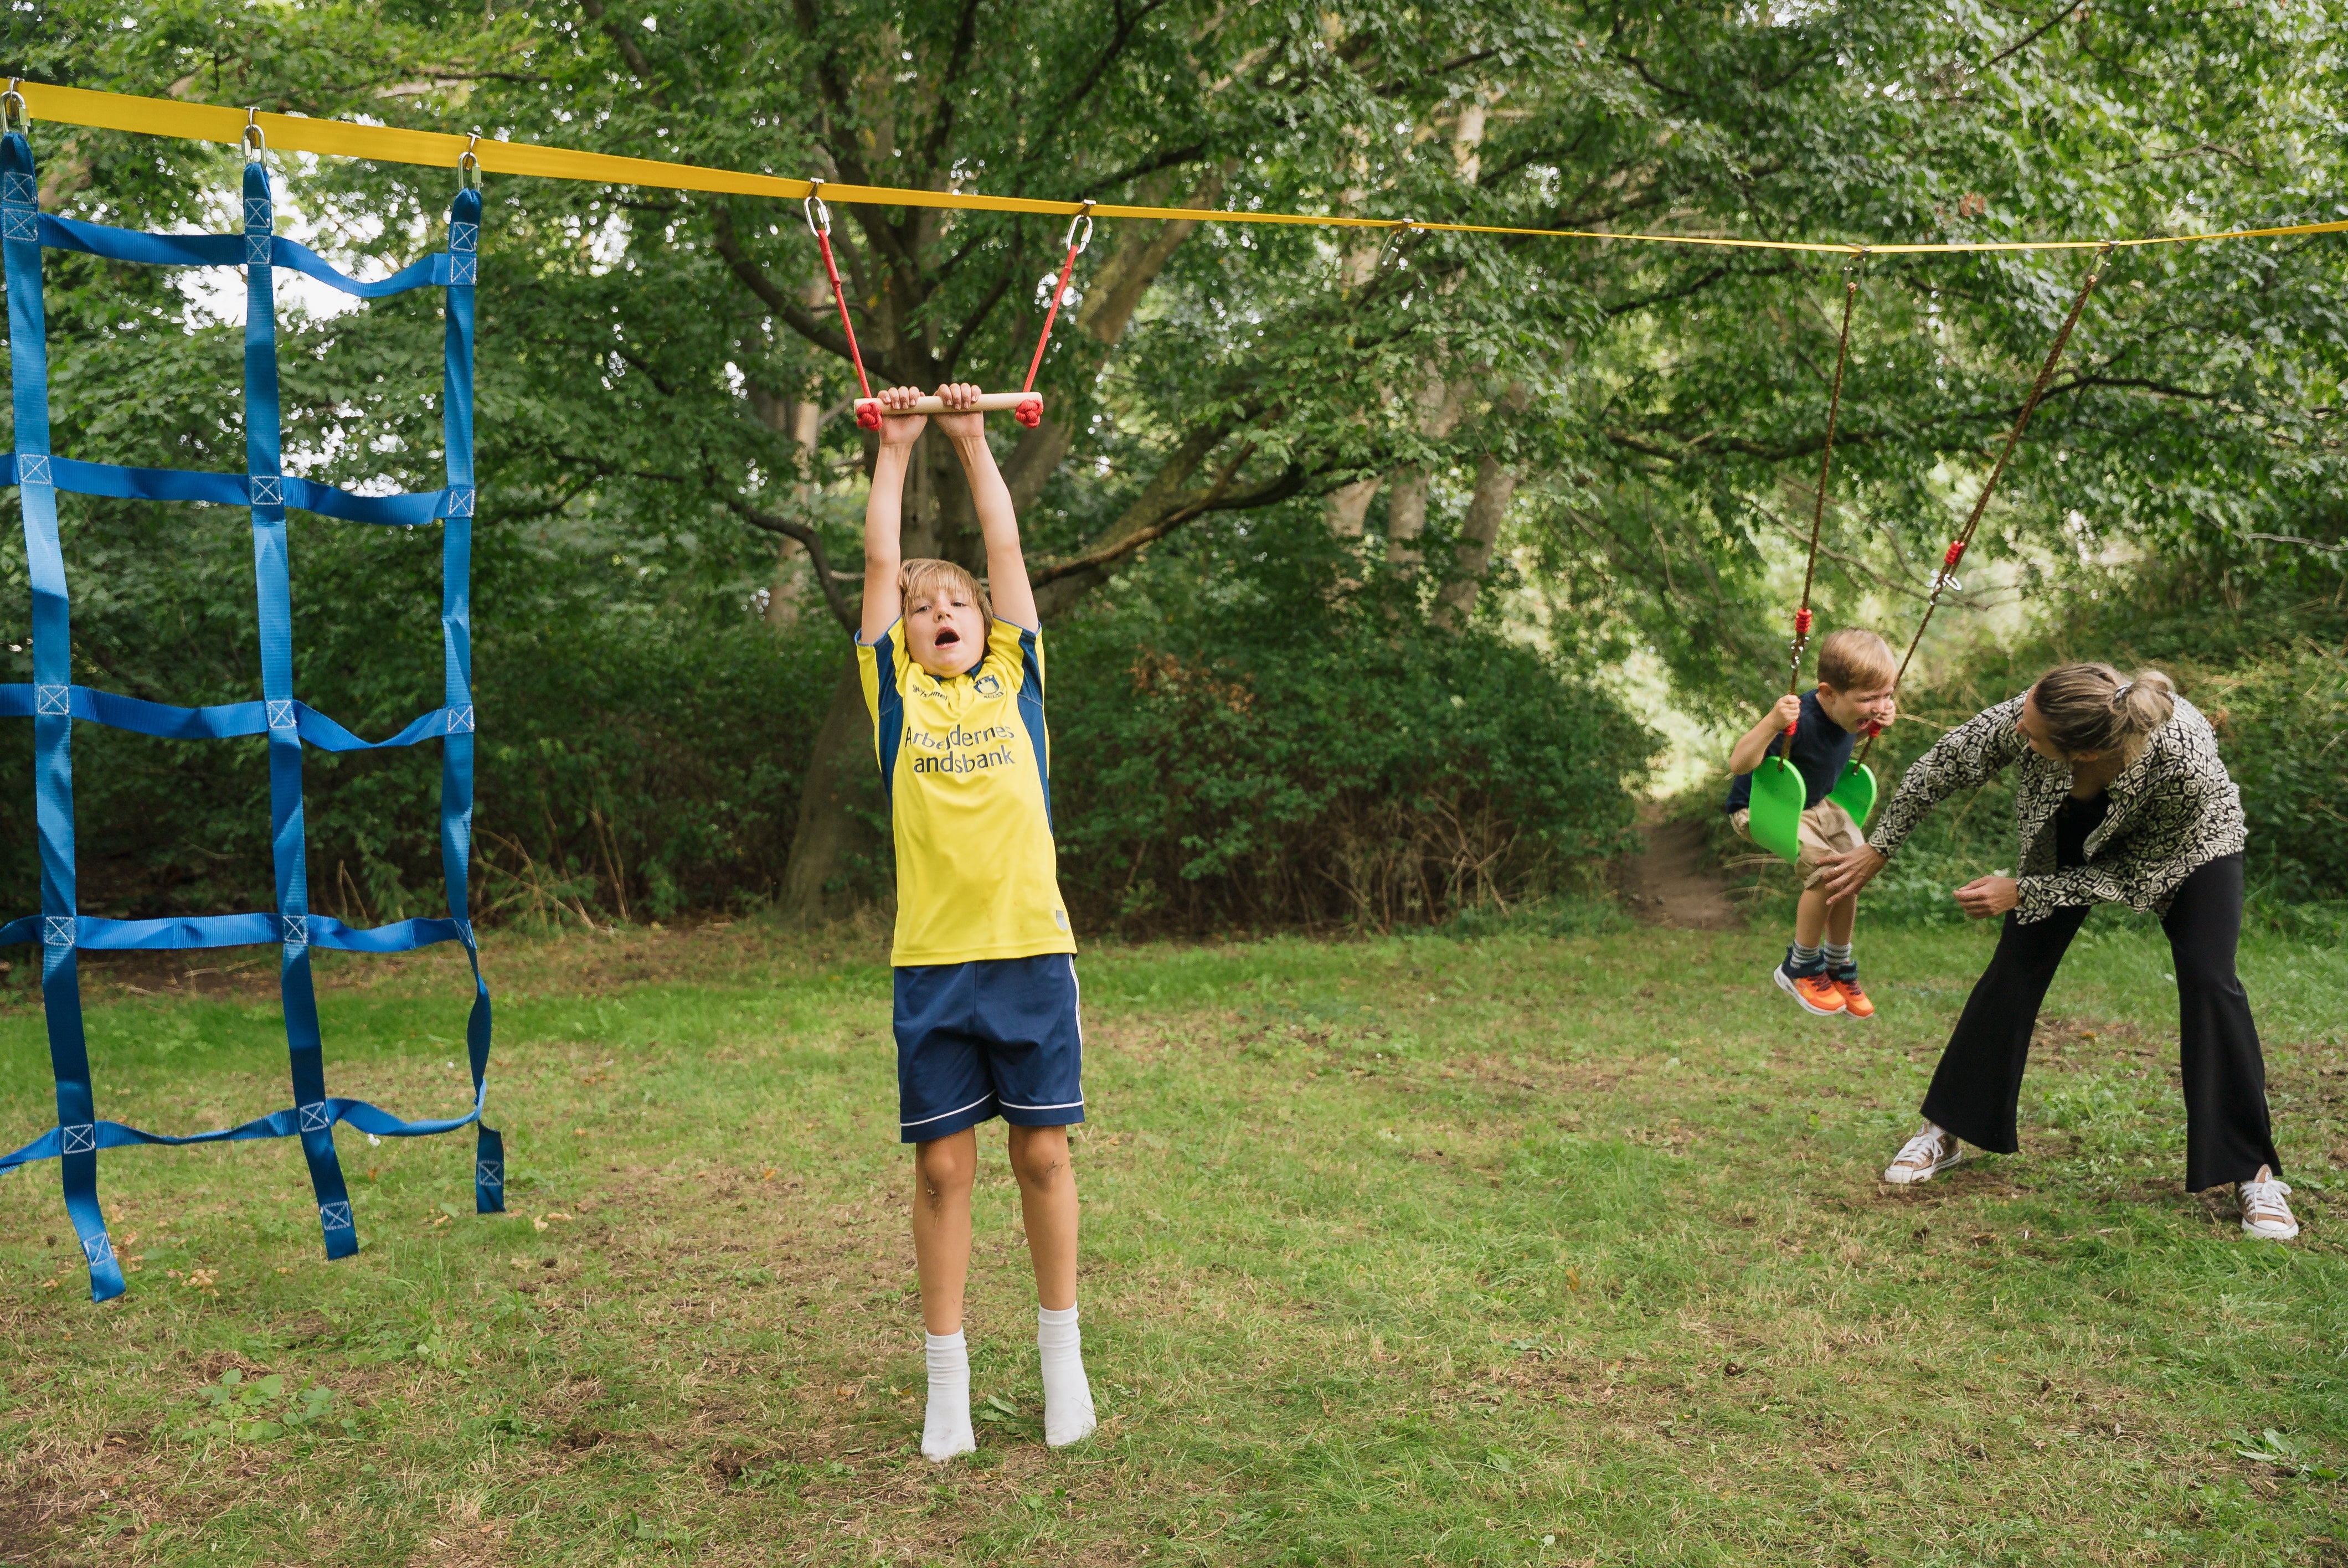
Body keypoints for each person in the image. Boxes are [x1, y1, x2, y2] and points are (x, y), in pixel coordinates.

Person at [1816, 664, 2297, 1240]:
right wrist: (1879, 848)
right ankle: (1945, 1131)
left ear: (2081, 751)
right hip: (2071, 829)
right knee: (2016, 967)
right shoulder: (2040, 708)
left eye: (2032, 731)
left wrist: (2024, 891)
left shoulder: (2182, 764)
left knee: (2210, 980)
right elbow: (1944, 762)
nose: (2018, 727)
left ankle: (2252, 1171)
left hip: (2190, 849)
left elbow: (2139, 880)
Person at [856, 381, 1097, 1461]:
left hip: (1030, 956)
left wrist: (969, 437)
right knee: (942, 1170)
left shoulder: (1016, 678)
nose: (939, 612)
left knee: (1041, 1156)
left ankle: (1061, 1359)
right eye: (921, 607)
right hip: (934, 969)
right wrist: (898, 450)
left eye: (953, 602)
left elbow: (1002, 548)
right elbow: (875, 566)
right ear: (902, 637)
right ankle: (945, 1385)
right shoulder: (895, 700)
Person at [1723, 628, 1899, 1018]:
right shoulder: (1796, 718)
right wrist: (1772, 722)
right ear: (1829, 692)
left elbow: (1853, 727)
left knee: (1854, 869)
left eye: (1886, 695)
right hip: (1763, 808)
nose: (1879, 705)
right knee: (1825, 872)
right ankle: (1800, 964)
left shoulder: (1849, 714)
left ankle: (1838, 964)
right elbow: (1739, 764)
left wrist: (1881, 716)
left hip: (1815, 803)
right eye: (1870, 699)